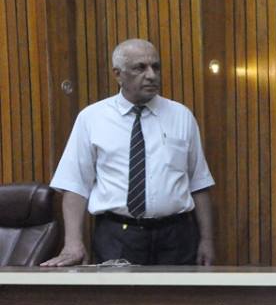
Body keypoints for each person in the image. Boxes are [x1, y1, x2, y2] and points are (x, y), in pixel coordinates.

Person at [42, 39, 216, 267]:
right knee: (119, 292)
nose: (151, 75)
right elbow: (75, 184)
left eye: (156, 67)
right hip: (118, 236)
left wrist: (207, 240)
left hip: (176, 236)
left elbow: (198, 184)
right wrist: (73, 243)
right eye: (140, 68)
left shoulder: (181, 116)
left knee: (177, 292)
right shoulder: (92, 118)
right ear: (118, 74)